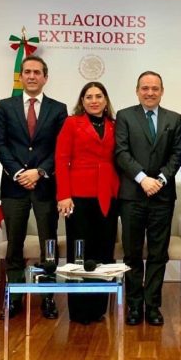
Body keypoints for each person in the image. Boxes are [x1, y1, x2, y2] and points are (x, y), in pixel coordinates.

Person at [0, 55, 67, 319]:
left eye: (37, 72)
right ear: (21, 76)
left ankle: (47, 297)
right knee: (14, 244)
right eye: (27, 72)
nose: (32, 76)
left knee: (49, 244)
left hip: (45, 187)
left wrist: (40, 171)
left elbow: (61, 147)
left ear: (45, 77)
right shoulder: (5, 106)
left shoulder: (58, 109)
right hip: (14, 188)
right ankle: (14, 297)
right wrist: (18, 172)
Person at [115, 71, 181, 326]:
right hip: (132, 196)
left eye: (155, 88)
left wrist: (161, 179)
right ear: (137, 91)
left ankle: (152, 305)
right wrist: (143, 178)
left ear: (162, 91)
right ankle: (134, 305)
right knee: (132, 253)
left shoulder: (174, 118)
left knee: (158, 253)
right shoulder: (124, 116)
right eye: (145, 88)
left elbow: (177, 154)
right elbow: (121, 152)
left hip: (162, 197)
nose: (150, 92)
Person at [55, 81, 120, 325]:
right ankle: (79, 310)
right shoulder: (72, 123)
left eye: (98, 96)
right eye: (89, 96)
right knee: (79, 252)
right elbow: (61, 159)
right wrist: (63, 195)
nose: (94, 100)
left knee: (104, 251)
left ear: (106, 100)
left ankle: (98, 308)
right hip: (78, 196)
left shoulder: (115, 125)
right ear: (82, 101)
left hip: (108, 194)